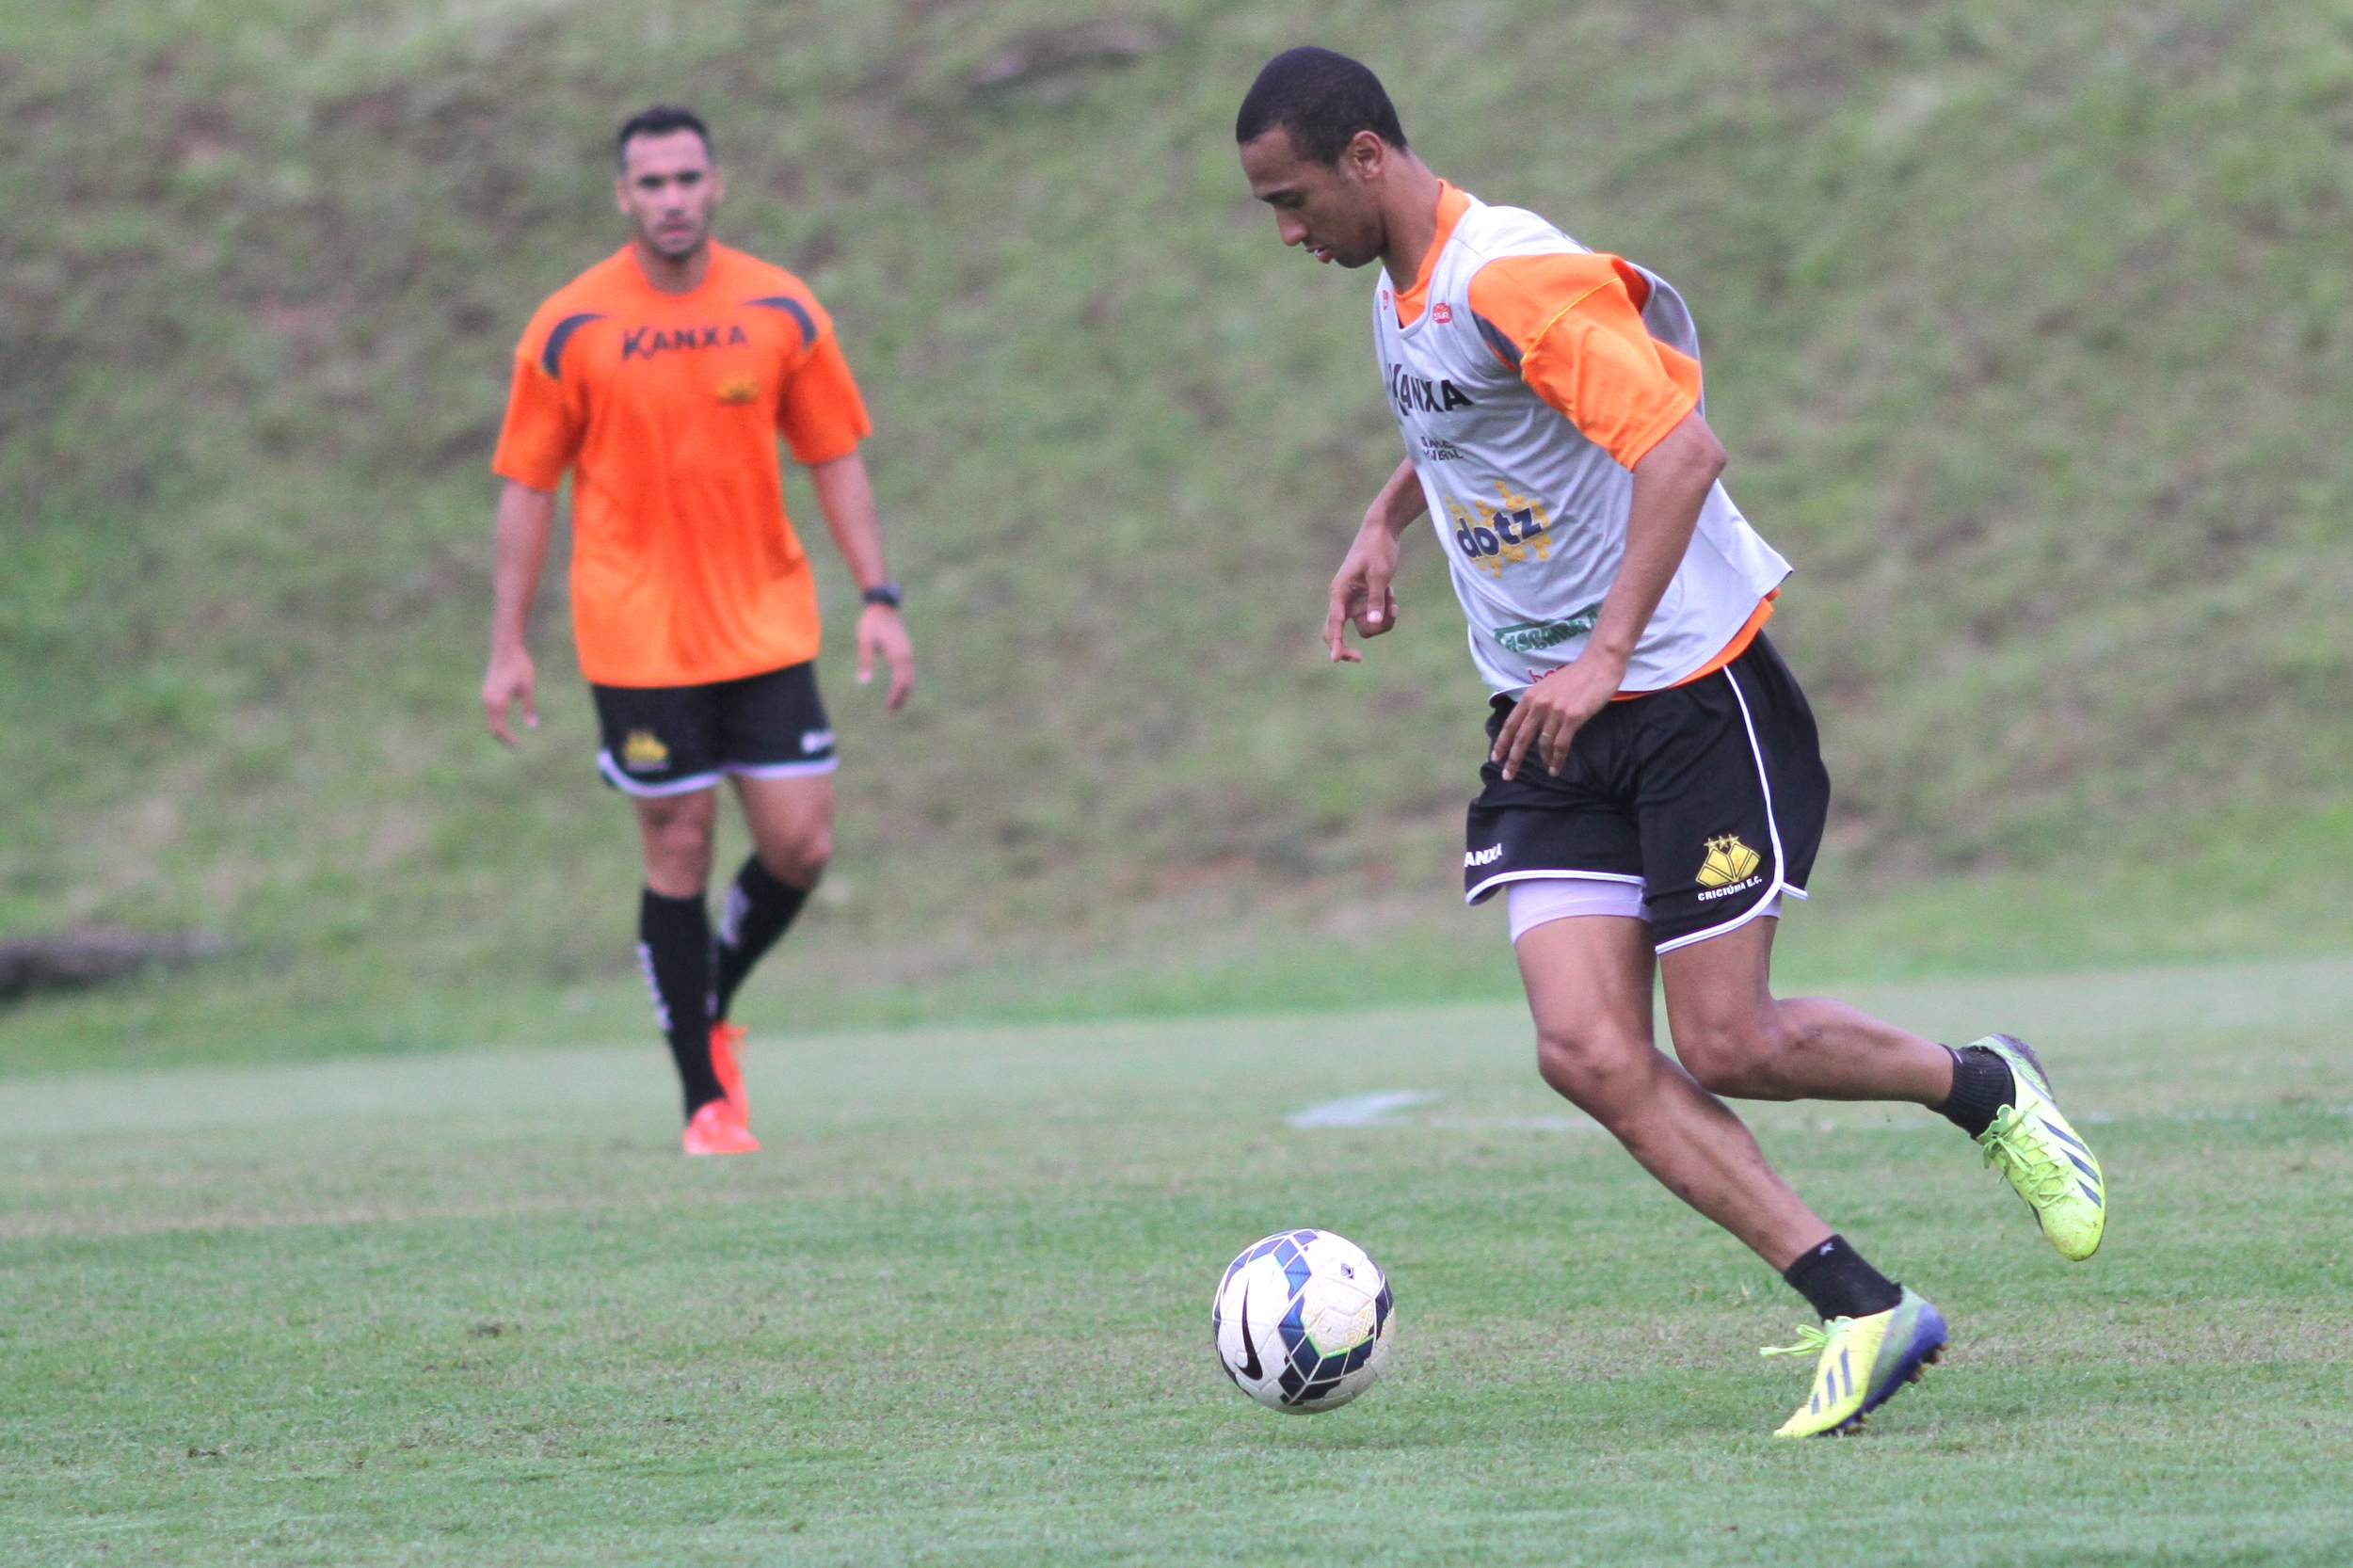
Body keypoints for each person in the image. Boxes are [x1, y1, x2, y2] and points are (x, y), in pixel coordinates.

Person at [1234, 48, 2106, 1436]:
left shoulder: (1510, 271)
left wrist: (1603, 655)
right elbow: (1477, 416)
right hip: (1547, 718)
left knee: (1729, 1040)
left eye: (1291, 200)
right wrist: (1378, 523)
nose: (1286, 233)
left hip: (1687, 693)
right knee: (1584, 1048)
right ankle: (1862, 1305)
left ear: (1365, 158)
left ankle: (1986, 1085)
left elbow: (1680, 451)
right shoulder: (1405, 290)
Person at [482, 104, 913, 1157]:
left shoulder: (779, 307)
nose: (671, 199)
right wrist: (507, 644)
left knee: (801, 844)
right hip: (636, 635)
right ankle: (704, 1101)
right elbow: (527, 489)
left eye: (687, 179)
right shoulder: (569, 326)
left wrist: (880, 597)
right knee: (677, 845)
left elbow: (835, 457)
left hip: (765, 622)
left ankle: (704, 997)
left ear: (716, 185)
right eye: (652, 183)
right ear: (622, 196)